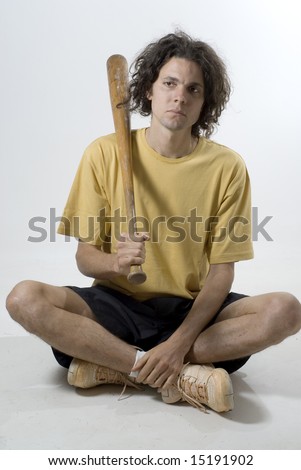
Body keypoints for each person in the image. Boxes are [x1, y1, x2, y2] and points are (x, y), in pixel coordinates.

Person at [6, 31, 301, 413]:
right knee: (24, 298)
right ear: (149, 90)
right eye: (170, 83)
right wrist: (114, 262)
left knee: (286, 310)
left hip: (192, 312)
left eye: (194, 89)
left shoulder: (227, 167)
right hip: (116, 306)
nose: (180, 95)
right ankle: (176, 375)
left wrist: (179, 342)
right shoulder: (104, 152)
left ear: (203, 104)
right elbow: (85, 258)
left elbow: (222, 272)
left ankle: (113, 365)